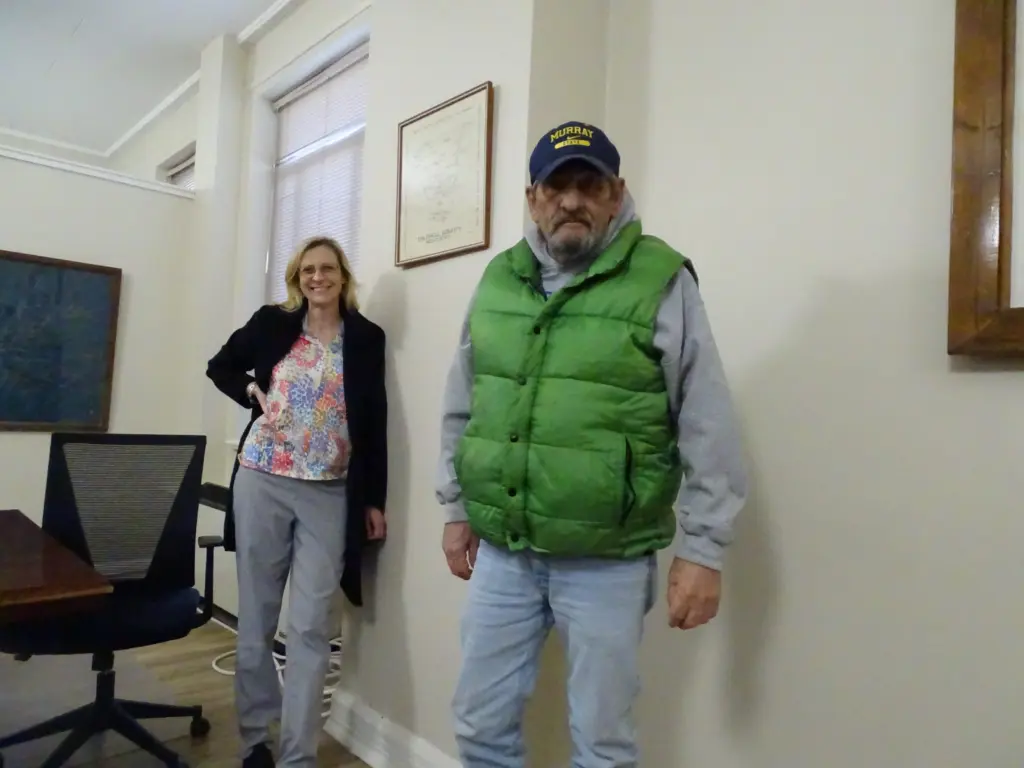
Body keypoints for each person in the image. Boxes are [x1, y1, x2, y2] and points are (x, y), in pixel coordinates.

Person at [436, 121, 748, 767]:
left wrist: (703, 549)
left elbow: (707, 418)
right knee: (478, 725)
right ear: (533, 199)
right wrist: (456, 505)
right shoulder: (498, 280)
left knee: (603, 744)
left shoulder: (661, 279)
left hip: (608, 560)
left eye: (589, 185)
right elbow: (465, 401)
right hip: (504, 552)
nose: (571, 200)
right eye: (556, 187)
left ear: (616, 194)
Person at [207, 236, 387, 768]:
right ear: (297, 278)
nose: (317, 277)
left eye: (327, 268)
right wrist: (251, 393)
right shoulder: (273, 323)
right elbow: (220, 366)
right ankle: (254, 741)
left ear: (343, 275)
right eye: (308, 270)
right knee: (258, 619)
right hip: (263, 479)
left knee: (311, 626)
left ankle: (297, 756)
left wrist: (373, 500)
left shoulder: (366, 337)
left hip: (330, 491)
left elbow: (374, 422)